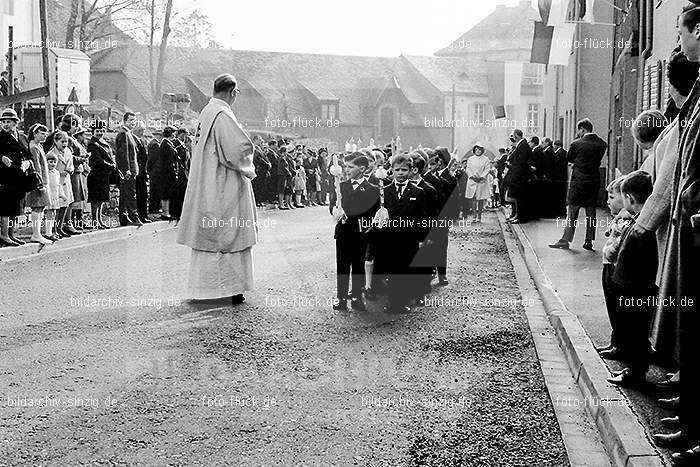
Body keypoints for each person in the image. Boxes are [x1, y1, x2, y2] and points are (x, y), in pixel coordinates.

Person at [640, 51, 699, 373]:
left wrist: (642, 225)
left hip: (681, 221)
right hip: (677, 220)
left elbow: (668, 179)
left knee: (678, 299)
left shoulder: (688, 120)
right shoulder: (682, 118)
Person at [659, 6, 700, 463]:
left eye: (682, 33)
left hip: (696, 225)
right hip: (689, 225)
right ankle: (690, 418)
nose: (681, 43)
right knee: (688, 327)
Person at [176, 74, 257, 304]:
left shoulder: (206, 112)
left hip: (207, 182)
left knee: (210, 236)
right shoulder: (222, 116)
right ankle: (224, 290)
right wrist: (250, 161)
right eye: (236, 94)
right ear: (232, 92)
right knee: (226, 236)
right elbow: (237, 151)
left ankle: (206, 289)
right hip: (223, 185)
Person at [606, 171, 657, 388]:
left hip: (633, 289)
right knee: (636, 332)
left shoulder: (640, 228)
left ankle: (635, 374)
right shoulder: (643, 221)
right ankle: (635, 370)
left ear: (630, 198)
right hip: (639, 288)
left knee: (634, 333)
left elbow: (630, 261)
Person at [549, 118, 608, 250]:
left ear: (582, 129)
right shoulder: (602, 144)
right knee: (591, 212)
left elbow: (569, 159)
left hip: (578, 181)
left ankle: (565, 240)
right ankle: (589, 240)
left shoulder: (576, 144)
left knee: (572, 211)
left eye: (579, 130)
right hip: (594, 180)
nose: (578, 132)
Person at [331, 153, 379, 312]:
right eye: (345, 166)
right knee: (342, 266)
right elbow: (333, 204)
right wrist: (335, 210)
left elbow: (374, 213)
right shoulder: (341, 186)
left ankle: (357, 296)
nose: (346, 169)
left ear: (362, 168)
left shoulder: (373, 189)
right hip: (344, 232)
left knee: (358, 266)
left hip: (361, 233)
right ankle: (341, 298)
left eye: (350, 167)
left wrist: (369, 227)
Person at [597, 176, 634, 360]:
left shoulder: (625, 220)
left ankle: (620, 345)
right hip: (609, 266)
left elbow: (617, 245)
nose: (607, 202)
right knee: (614, 308)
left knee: (616, 308)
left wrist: (610, 250)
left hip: (613, 267)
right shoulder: (620, 218)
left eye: (612, 198)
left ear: (626, 198)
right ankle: (616, 342)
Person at [0, 108, 31, 246]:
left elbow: (29, 155)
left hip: (20, 177)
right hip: (5, 176)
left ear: (16, 123)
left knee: (16, 207)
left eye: (9, 122)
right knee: (6, 207)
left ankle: (12, 235)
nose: (6, 125)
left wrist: (27, 162)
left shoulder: (22, 137)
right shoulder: (0, 137)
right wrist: (1, 157)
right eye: (3, 122)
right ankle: (4, 235)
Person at [430, 147, 458, 285]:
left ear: (440, 161)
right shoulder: (430, 175)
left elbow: (454, 201)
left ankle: (442, 274)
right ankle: (430, 271)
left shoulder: (450, 178)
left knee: (441, 247)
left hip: (442, 218)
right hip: (429, 217)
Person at [25, 123, 52, 245]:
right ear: (35, 134)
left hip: (42, 181)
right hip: (37, 183)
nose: (45, 136)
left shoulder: (38, 146)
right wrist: (40, 184)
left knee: (40, 207)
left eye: (46, 134)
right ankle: (36, 234)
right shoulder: (33, 147)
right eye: (42, 134)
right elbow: (36, 168)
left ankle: (38, 234)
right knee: (37, 207)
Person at [44, 130, 74, 237]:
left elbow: (71, 163)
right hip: (57, 182)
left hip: (66, 180)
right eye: (62, 141)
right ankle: (54, 229)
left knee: (65, 204)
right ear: (56, 141)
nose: (65, 144)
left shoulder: (68, 151)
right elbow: (49, 170)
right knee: (57, 207)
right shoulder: (51, 154)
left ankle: (60, 227)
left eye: (66, 141)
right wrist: (61, 172)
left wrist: (70, 169)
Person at [87, 120, 116, 229]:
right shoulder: (92, 144)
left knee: (101, 200)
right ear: (93, 132)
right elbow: (98, 160)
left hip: (103, 175)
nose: (99, 133)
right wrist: (111, 166)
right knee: (95, 200)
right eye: (97, 131)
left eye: (101, 131)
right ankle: (95, 221)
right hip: (96, 175)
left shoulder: (102, 142)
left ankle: (99, 220)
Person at [115, 112, 142, 226]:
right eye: (131, 120)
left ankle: (124, 218)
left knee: (125, 194)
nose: (133, 122)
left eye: (134, 120)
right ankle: (133, 217)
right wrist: (126, 169)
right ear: (125, 121)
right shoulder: (123, 134)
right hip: (128, 170)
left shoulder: (128, 133)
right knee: (130, 194)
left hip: (131, 169)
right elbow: (122, 154)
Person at [503, 129, 532, 224]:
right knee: (517, 197)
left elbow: (521, 162)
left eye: (513, 136)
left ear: (516, 135)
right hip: (519, 175)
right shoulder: (521, 145)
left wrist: (512, 165)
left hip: (520, 176)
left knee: (520, 198)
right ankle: (518, 215)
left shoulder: (523, 145)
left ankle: (521, 217)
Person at [465, 143, 491, 223]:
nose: (478, 151)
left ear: (482, 150)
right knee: (473, 198)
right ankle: (474, 214)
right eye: (476, 149)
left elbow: (487, 169)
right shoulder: (470, 159)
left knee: (480, 199)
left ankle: (479, 215)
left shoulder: (486, 159)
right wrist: (472, 176)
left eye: (479, 149)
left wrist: (482, 177)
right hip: (473, 180)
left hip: (481, 181)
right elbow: (468, 168)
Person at [158, 126, 179, 220]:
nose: (175, 135)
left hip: (166, 172)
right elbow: (170, 161)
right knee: (166, 192)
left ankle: (167, 212)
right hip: (167, 173)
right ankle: (165, 213)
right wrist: (175, 173)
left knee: (167, 192)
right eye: (174, 133)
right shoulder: (166, 144)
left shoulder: (167, 143)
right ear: (170, 133)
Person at [44, 152, 66, 241]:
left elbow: (58, 185)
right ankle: (48, 233)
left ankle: (52, 231)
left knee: (54, 214)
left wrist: (62, 195)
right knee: (49, 214)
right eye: (50, 162)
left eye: (54, 162)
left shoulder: (56, 173)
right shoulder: (46, 173)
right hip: (49, 196)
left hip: (55, 196)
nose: (52, 164)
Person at [170, 128, 191, 220]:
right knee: (179, 193)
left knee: (183, 193)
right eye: (186, 134)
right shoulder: (176, 145)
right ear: (182, 134)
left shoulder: (182, 145)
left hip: (185, 173)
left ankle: (181, 211)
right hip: (180, 173)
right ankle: (177, 212)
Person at [133, 126, 151, 223]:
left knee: (143, 195)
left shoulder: (141, 141)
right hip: (139, 173)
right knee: (139, 195)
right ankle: (140, 215)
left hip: (143, 172)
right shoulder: (134, 141)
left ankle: (143, 215)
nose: (142, 132)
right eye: (141, 130)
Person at [146, 130, 163, 215]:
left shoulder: (152, 143)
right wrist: (149, 169)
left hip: (153, 170)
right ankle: (154, 208)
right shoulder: (156, 145)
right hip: (155, 171)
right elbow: (152, 159)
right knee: (155, 190)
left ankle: (154, 207)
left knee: (154, 190)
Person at [551, 140, 569, 218]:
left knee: (559, 195)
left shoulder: (559, 154)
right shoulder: (564, 152)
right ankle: (562, 212)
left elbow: (556, 166)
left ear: (556, 145)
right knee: (562, 195)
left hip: (558, 178)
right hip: (562, 177)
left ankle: (561, 212)